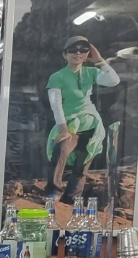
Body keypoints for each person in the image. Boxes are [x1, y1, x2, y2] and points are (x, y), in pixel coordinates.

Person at [46, 35, 120, 204]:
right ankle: (53, 191)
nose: (78, 53)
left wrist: (100, 60)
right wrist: (64, 129)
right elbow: (56, 105)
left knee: (83, 163)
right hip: (70, 125)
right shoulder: (57, 76)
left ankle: (72, 197)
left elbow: (114, 81)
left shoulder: (90, 72)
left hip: (91, 124)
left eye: (83, 50)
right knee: (60, 153)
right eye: (73, 50)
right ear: (65, 54)